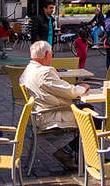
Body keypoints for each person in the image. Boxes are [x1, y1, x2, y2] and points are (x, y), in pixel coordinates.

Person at [20, 40, 89, 170]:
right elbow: (70, 92)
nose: (52, 56)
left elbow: (58, 89)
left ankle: (74, 153)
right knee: (93, 119)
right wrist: (83, 88)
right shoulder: (45, 72)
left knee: (88, 110)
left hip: (42, 111)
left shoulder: (28, 69)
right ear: (46, 54)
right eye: (51, 53)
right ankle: (67, 152)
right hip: (52, 114)